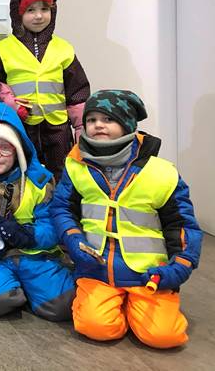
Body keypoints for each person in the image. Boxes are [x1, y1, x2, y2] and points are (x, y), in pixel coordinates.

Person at [50, 90, 202, 349]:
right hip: (96, 270)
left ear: (128, 124)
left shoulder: (161, 172)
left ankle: (136, 307)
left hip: (149, 275)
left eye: (108, 119)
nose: (98, 125)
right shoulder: (75, 165)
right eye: (91, 119)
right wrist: (73, 240)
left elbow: (182, 224)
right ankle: (118, 306)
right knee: (96, 327)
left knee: (164, 337)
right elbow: (62, 208)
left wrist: (181, 264)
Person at [0, 102, 75, 320]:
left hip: (36, 255)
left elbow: (52, 226)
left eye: (5, 147)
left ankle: (34, 288)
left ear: (18, 149)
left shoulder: (38, 183)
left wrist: (27, 235)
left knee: (63, 306)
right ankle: (13, 289)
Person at [0, 0, 90, 179]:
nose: (38, 16)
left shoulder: (64, 49)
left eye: (44, 9)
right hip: (21, 126)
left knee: (62, 174)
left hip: (58, 129)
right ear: (18, 13)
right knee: (23, 173)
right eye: (30, 10)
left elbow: (77, 92)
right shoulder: (3, 49)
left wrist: (82, 130)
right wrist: (11, 105)